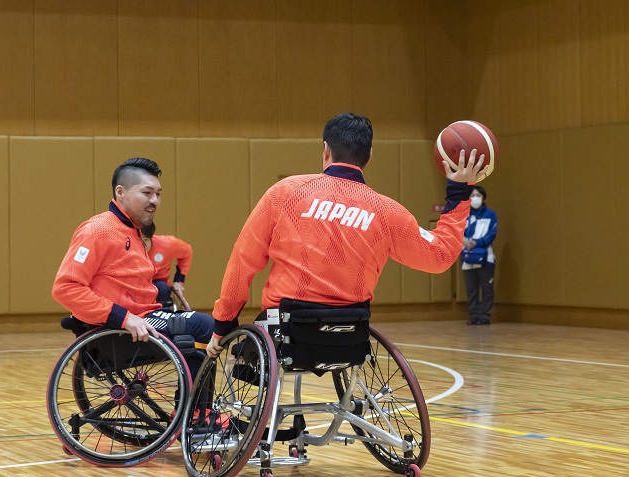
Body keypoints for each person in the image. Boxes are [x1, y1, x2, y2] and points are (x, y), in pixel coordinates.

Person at [207, 112, 488, 357]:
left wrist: (224, 323)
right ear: (369, 157)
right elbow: (439, 256)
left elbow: (243, 260)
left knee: (242, 354)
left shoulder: (286, 193)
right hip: (350, 333)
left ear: (326, 150)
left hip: (285, 329)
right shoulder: (387, 211)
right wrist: (459, 192)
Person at [51, 157, 212, 378]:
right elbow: (65, 288)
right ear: (120, 192)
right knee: (204, 325)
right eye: (146, 193)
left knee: (201, 328)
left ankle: (193, 407)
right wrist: (125, 318)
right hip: (119, 329)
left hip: (141, 316)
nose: (155, 200)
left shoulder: (132, 231)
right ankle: (198, 411)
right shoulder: (98, 230)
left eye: (158, 194)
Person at [461, 186, 497, 325]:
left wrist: (477, 242)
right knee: (471, 289)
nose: (475, 197)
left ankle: (485, 316)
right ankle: (474, 316)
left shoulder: (490, 215)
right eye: (472, 195)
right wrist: (464, 241)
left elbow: (491, 234)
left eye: (478, 195)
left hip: (485, 258)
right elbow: (458, 232)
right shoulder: (464, 216)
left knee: (487, 289)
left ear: (483, 198)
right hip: (468, 257)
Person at [140, 222, 193, 311]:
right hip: (135, 284)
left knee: (162, 288)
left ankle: (163, 316)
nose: (142, 245)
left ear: (151, 238)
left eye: (145, 240)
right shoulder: (126, 248)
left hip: (158, 283)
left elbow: (187, 251)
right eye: (138, 240)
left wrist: (178, 280)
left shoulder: (167, 244)